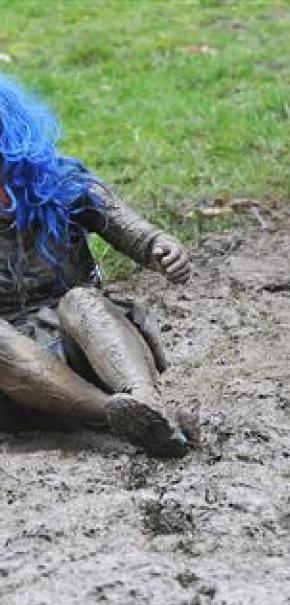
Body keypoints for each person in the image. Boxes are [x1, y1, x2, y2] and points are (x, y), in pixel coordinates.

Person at [0, 74, 195, 456]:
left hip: (91, 348)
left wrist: (163, 248)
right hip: (17, 379)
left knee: (80, 300)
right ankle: (120, 415)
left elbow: (138, 233)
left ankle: (143, 400)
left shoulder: (62, 183)